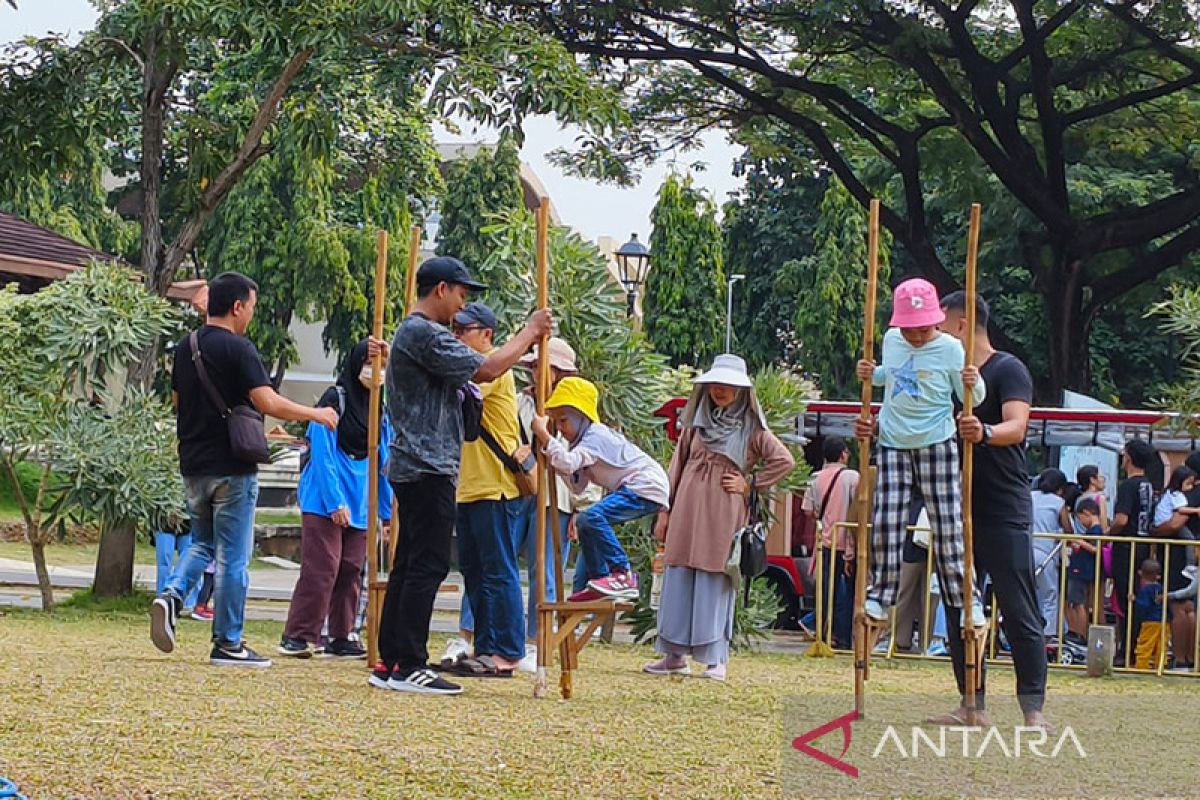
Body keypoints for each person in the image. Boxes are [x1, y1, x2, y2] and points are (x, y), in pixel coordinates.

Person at [370, 256, 552, 696]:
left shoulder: (412, 334)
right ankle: (408, 663)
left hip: (416, 463)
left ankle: (390, 659)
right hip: (428, 464)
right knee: (426, 565)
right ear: (440, 290)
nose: (461, 303)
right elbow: (486, 367)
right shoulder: (423, 333)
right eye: (460, 293)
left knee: (410, 564)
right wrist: (530, 332)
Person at [151, 272, 339, 668]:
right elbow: (267, 401)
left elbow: (176, 400)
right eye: (251, 306)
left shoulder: (187, 347)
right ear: (237, 306)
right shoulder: (240, 349)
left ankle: (170, 596)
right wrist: (316, 414)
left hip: (193, 465)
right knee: (234, 556)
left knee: (202, 542)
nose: (251, 314)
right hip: (233, 467)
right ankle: (228, 642)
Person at [934, 290, 1049, 730]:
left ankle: (1032, 710)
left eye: (942, 326)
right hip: (956, 506)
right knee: (960, 607)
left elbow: (1017, 427)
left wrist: (982, 431)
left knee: (1019, 608)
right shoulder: (947, 377)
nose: (936, 335)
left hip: (1004, 505)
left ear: (962, 325)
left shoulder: (1007, 369)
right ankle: (971, 704)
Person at [644, 354, 794, 681]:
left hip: (724, 510)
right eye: (715, 384)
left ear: (741, 390)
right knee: (679, 573)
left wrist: (750, 482)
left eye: (728, 385)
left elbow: (784, 460)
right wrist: (665, 510)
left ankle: (715, 659)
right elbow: (676, 465)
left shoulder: (753, 428)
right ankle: (674, 655)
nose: (720, 390)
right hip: (686, 503)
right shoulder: (695, 423)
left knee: (717, 576)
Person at [853, 278, 985, 630]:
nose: (915, 335)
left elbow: (977, 398)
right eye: (909, 329)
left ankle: (966, 599)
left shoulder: (951, 349)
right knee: (886, 520)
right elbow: (892, 377)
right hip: (894, 441)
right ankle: (880, 596)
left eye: (922, 328)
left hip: (936, 442)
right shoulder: (892, 340)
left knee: (947, 526)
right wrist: (871, 373)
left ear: (937, 320)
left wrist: (973, 381)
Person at [278, 340, 391, 660]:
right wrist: (334, 502)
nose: (376, 372)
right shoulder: (334, 399)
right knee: (322, 566)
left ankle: (342, 634)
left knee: (352, 568)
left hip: (361, 500)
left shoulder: (379, 407)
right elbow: (323, 453)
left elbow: (383, 459)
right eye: (371, 364)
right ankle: (298, 634)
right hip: (325, 498)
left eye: (382, 366)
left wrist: (385, 511)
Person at [443, 302, 529, 678]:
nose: (456, 336)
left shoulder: (492, 366)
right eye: (453, 330)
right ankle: (487, 645)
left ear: (486, 335)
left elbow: (468, 386)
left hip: (494, 485)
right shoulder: (468, 368)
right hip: (469, 485)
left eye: (464, 330)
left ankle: (508, 649)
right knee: (476, 572)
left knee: (498, 570)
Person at [531, 377, 669, 601]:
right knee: (586, 523)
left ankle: (622, 573)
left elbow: (567, 463)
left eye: (564, 420)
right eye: (556, 422)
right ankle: (600, 580)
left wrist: (545, 437)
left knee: (591, 517)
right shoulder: (582, 443)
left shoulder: (596, 435)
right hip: (639, 486)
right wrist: (554, 464)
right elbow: (578, 485)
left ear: (582, 417)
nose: (559, 428)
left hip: (644, 484)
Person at [801, 436, 858, 650]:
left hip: (825, 543)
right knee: (850, 593)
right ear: (843, 454)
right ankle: (844, 638)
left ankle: (823, 634)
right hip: (849, 542)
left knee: (827, 592)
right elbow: (858, 508)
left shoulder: (815, 478)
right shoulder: (853, 477)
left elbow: (807, 510)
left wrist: (821, 515)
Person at [1108, 438, 1157, 664]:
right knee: (1139, 596)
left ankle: (1125, 650)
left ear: (1128, 458)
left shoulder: (1128, 486)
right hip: (1144, 546)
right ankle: (1135, 647)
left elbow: (1121, 519)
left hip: (1126, 546)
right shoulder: (1148, 484)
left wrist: (1108, 533)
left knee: (1125, 598)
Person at [1153, 465, 1199, 671]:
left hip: (1177, 556)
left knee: (1179, 607)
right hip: (1188, 555)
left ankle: (1180, 657)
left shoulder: (1183, 496)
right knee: (1189, 607)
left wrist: (1154, 532)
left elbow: (1174, 524)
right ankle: (1190, 656)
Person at [1030, 468, 1071, 639]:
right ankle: (1048, 636)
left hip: (1023, 549)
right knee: (1050, 594)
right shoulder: (1058, 503)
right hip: (1045, 553)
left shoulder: (1029, 496)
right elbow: (1069, 530)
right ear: (1060, 488)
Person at [1066, 497, 1102, 639]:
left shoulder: (1096, 530)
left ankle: (1079, 634)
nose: (1080, 522)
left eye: (1080, 518)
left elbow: (1095, 548)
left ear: (1087, 513)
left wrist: (1078, 541)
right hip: (1082, 570)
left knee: (1077, 603)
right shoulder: (1092, 531)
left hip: (1081, 571)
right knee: (1077, 602)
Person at [1133, 558, 1166, 670]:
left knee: (1145, 644)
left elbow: (1143, 605)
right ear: (1158, 576)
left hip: (1150, 621)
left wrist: (1134, 600)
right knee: (1161, 645)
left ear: (1140, 573)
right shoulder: (1161, 588)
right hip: (1164, 621)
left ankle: (1142, 666)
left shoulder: (1145, 590)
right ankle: (1160, 665)